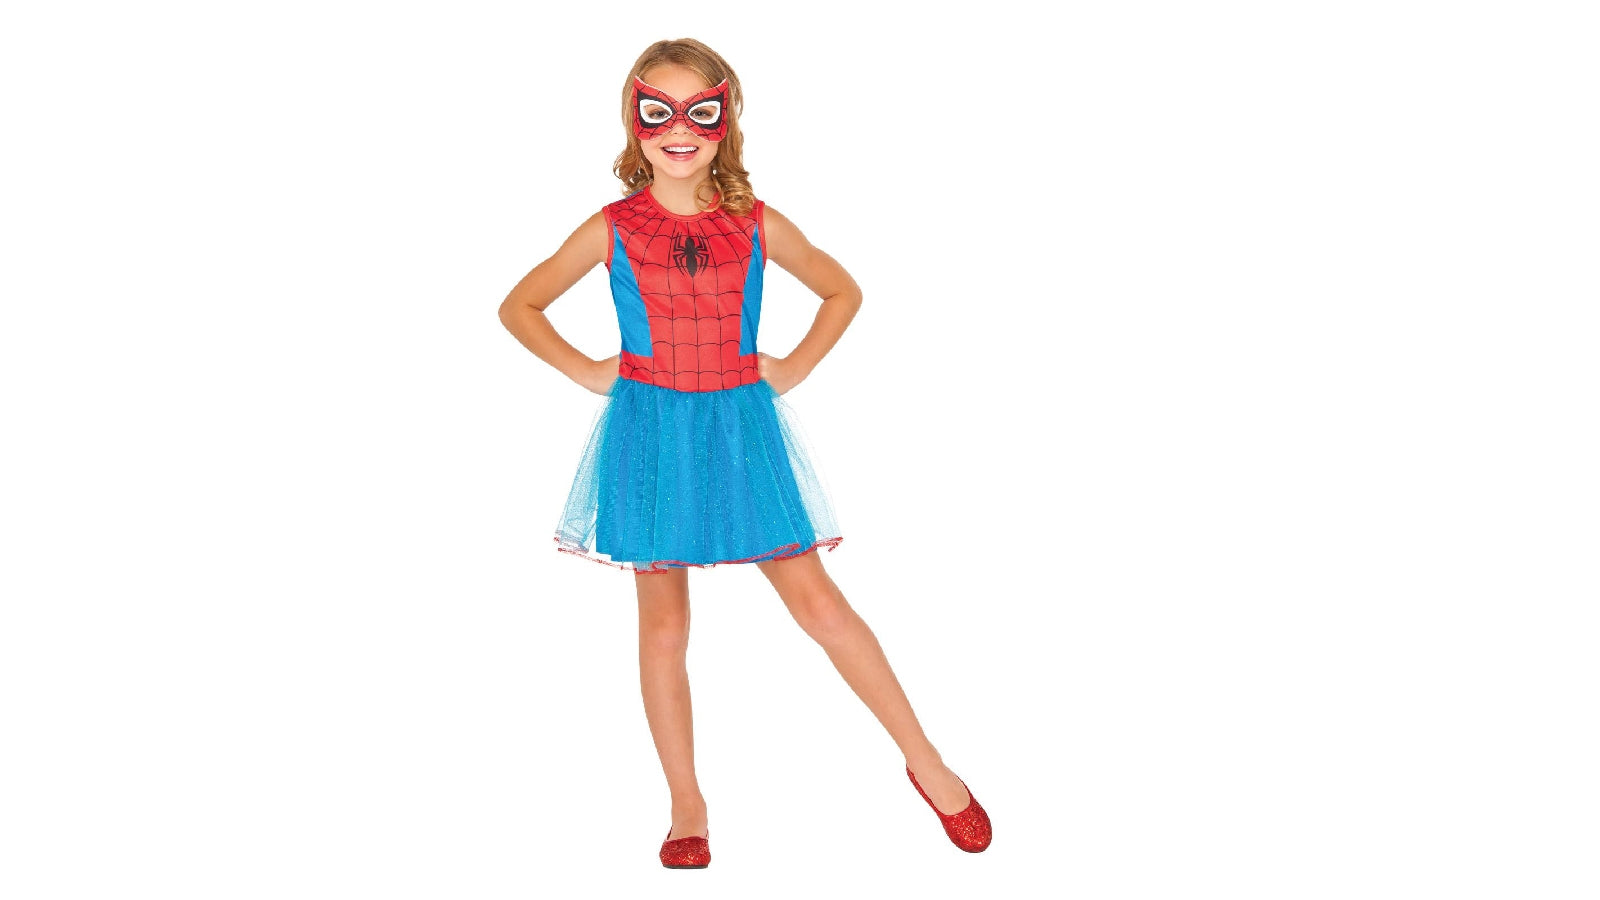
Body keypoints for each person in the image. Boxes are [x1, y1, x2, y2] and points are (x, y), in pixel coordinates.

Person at [498, 38, 991, 868]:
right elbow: (520, 305)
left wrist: (794, 365)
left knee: (819, 604)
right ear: (634, 120)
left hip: (739, 428)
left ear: (726, 120)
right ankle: (686, 804)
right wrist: (587, 369)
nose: (679, 130)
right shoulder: (612, 228)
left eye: (700, 112)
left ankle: (927, 760)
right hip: (651, 433)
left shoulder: (756, 222)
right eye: (659, 112)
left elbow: (842, 288)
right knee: (664, 624)